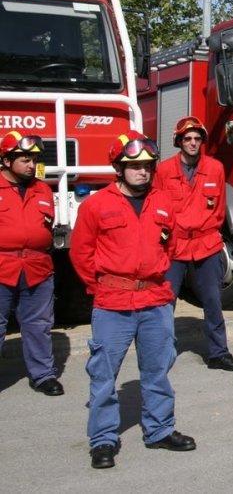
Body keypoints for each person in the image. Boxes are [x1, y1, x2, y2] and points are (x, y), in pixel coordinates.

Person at [70, 132, 195, 469]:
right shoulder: (97, 205)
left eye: (147, 166)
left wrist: (158, 280)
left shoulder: (164, 202)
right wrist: (102, 286)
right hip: (112, 301)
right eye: (135, 166)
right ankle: (103, 439)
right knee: (104, 376)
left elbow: (170, 247)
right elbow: (81, 253)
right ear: (119, 168)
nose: (143, 172)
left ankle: (159, 430)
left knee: (157, 371)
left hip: (155, 299)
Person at [153, 117, 233, 371]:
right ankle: (160, 354)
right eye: (187, 139)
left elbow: (218, 210)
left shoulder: (215, 168)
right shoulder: (162, 171)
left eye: (196, 139)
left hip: (207, 245)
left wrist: (204, 230)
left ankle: (219, 353)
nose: (193, 143)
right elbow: (157, 209)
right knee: (164, 301)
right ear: (179, 142)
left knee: (213, 301)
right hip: (174, 245)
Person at [0, 131, 63, 396]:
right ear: (6, 160)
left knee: (38, 325)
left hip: (37, 268)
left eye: (34, 159)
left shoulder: (43, 190)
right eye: (25, 158)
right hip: (2, 266)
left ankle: (43, 375)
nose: (31, 164)